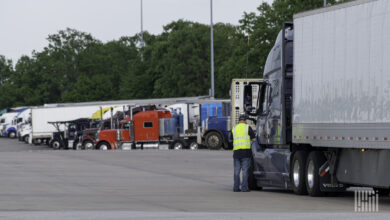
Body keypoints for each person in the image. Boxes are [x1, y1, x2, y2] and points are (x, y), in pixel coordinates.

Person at [231, 114, 256, 192]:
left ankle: (236, 188)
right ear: (245, 120)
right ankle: (244, 188)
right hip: (246, 152)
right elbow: (254, 139)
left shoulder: (234, 128)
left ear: (239, 120)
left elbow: (231, 140)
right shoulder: (247, 127)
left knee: (236, 171)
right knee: (245, 171)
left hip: (237, 152)